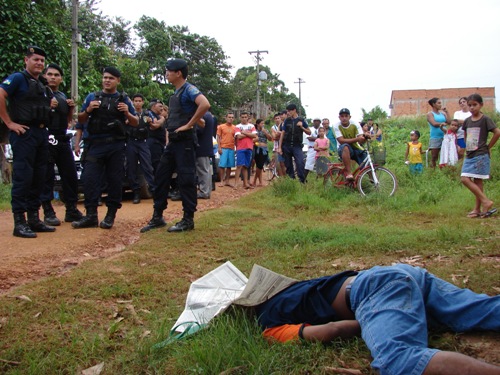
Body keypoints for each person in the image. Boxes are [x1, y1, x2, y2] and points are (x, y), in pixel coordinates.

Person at [255, 263, 500, 375]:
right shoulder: (290, 291)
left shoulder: (267, 322)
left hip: (378, 290)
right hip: (398, 272)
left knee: (399, 360)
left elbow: (334, 329)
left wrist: (379, 319)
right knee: (478, 308)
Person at [141, 58, 210, 233]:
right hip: (173, 142)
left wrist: (189, 125)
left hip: (185, 142)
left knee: (186, 179)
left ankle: (188, 219)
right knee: (161, 176)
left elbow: (205, 104)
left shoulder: (189, 89)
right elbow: (195, 116)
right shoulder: (176, 93)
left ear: (178, 73)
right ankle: (158, 216)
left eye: (168, 71)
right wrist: (193, 121)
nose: (166, 74)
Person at [72, 67, 139, 230]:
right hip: (95, 144)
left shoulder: (124, 100)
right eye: (105, 77)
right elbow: (79, 119)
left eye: (111, 78)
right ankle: (91, 215)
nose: (107, 80)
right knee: (89, 179)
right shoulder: (92, 97)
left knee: (114, 180)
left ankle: (110, 215)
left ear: (118, 81)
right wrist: (88, 110)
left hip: (116, 145)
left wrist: (127, 113)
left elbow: (136, 122)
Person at [0, 46, 56, 238]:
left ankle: (34, 218)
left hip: (40, 133)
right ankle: (19, 222)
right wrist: (9, 123)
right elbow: (1, 94)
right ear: (26, 60)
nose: (39, 63)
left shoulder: (41, 83)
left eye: (42, 60)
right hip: (24, 133)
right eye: (35, 59)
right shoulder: (17, 78)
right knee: (23, 177)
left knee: (39, 177)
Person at [40, 63, 83, 225]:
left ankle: (71, 209)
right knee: (47, 176)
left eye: (56, 75)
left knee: (70, 174)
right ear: (45, 76)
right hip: (46, 138)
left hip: (62, 138)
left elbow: (66, 122)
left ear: (61, 79)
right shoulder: (41, 94)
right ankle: (48, 211)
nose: (53, 77)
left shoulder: (62, 96)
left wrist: (70, 109)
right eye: (50, 74)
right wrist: (46, 106)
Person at [460, 93, 500, 219]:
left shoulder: (485, 119)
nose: (472, 108)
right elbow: (466, 133)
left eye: (475, 105)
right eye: (470, 105)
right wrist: (466, 147)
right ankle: (480, 206)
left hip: (481, 153)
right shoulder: (467, 121)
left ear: (481, 105)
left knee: (474, 180)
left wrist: (488, 147)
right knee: (466, 178)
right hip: (470, 154)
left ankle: (483, 204)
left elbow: (497, 132)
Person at [126, 93, 155, 204]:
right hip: (131, 142)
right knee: (131, 168)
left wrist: (151, 122)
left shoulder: (147, 114)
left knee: (147, 166)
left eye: (139, 101)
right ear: (133, 102)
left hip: (143, 142)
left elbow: (154, 126)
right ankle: (136, 192)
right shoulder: (129, 113)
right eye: (135, 100)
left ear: (143, 102)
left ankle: (153, 189)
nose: (137, 102)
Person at [333, 108, 369, 180]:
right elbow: (341, 141)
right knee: (345, 146)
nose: (344, 118)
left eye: (346, 116)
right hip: (342, 149)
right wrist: (357, 139)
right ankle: (349, 173)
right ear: (339, 117)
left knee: (367, 164)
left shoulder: (355, 124)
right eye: (342, 116)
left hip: (356, 147)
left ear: (350, 117)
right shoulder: (336, 126)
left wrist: (365, 137)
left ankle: (374, 182)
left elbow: (360, 139)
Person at [278, 103, 311, 183]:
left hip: (297, 146)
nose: (288, 113)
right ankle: (292, 182)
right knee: (288, 166)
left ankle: (302, 181)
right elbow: (283, 133)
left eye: (289, 111)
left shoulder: (301, 120)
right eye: (287, 111)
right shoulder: (287, 120)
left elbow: (309, 132)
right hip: (287, 146)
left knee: (300, 163)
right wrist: (279, 147)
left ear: (294, 110)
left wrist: (302, 127)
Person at [234, 112, 257, 189]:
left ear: (248, 117)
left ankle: (245, 183)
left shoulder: (251, 126)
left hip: (249, 147)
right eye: (242, 117)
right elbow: (238, 137)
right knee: (239, 165)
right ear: (240, 117)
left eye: (245, 117)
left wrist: (243, 132)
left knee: (246, 166)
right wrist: (248, 134)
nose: (244, 118)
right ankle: (236, 184)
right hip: (240, 148)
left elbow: (254, 135)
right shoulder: (237, 126)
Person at [196, 111, 215, 199]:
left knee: (203, 170)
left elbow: (199, 130)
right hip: (206, 146)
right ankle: (207, 190)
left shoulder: (202, 115)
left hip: (201, 147)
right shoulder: (208, 115)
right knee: (206, 170)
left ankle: (204, 191)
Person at [427, 97, 450, 168]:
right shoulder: (430, 114)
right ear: (433, 104)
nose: (440, 105)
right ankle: (432, 171)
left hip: (444, 136)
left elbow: (449, 122)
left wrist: (447, 112)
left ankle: (444, 169)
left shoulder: (443, 113)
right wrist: (442, 124)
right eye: (438, 103)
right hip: (435, 137)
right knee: (434, 156)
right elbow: (434, 123)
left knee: (445, 155)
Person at [216, 112, 236, 187]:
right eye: (229, 117)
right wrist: (219, 147)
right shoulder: (221, 127)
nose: (230, 119)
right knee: (222, 165)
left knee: (229, 165)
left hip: (231, 147)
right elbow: (218, 137)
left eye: (232, 117)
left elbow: (236, 138)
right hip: (223, 147)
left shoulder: (235, 127)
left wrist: (235, 148)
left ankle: (227, 180)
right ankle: (222, 180)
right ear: (226, 118)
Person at [147, 99, 167, 173]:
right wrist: (162, 119)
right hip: (154, 142)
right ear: (153, 106)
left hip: (160, 143)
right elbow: (154, 126)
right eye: (160, 106)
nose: (162, 108)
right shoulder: (149, 113)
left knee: (161, 163)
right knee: (156, 163)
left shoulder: (158, 116)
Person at [252, 118, 272, 187]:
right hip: (256, 148)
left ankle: (254, 181)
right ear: (257, 124)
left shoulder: (265, 130)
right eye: (261, 123)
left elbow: (270, 139)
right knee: (258, 165)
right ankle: (260, 182)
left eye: (263, 123)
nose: (263, 125)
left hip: (264, 150)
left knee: (260, 165)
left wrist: (265, 132)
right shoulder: (254, 131)